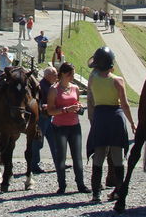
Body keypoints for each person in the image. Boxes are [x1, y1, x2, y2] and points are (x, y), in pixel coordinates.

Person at [86, 47, 136, 202]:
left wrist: (92, 119)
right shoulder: (118, 80)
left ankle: (96, 193)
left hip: (100, 116)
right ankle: (119, 191)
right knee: (117, 157)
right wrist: (132, 123)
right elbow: (125, 104)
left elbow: (91, 99)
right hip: (115, 116)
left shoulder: (92, 79)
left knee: (99, 156)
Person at [47, 62, 89, 194]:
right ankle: (62, 185)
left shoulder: (75, 88)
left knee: (77, 156)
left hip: (74, 125)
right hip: (59, 126)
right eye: (70, 74)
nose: (72, 77)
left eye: (73, 74)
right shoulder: (54, 89)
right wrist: (66, 109)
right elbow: (50, 111)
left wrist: (79, 108)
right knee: (61, 157)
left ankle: (81, 184)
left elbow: (77, 103)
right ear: (63, 74)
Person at [31, 65, 58, 174]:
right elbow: (37, 101)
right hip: (42, 118)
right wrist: (43, 106)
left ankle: (59, 162)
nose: (56, 76)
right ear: (48, 75)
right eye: (55, 74)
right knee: (38, 142)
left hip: (49, 117)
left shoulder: (50, 85)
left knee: (54, 140)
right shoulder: (41, 86)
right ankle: (34, 165)